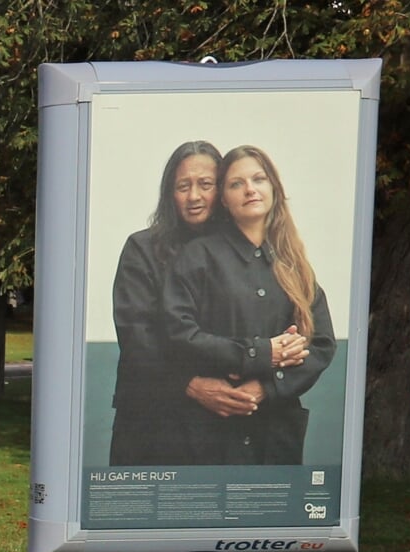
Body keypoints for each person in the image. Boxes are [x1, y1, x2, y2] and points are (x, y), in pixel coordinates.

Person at [161, 144, 334, 465]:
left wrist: (267, 387)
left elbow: (321, 344)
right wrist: (262, 352)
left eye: (259, 179)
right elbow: (179, 333)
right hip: (210, 435)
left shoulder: (294, 264)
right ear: (224, 200)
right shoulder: (197, 257)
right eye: (236, 183)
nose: (250, 189)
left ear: (274, 189)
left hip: (276, 435)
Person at [107, 141, 224, 465]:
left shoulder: (242, 252)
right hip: (150, 422)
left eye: (205, 184)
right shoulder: (142, 249)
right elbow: (137, 337)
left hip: (221, 425)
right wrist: (191, 385)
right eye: (183, 186)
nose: (194, 196)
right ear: (169, 193)